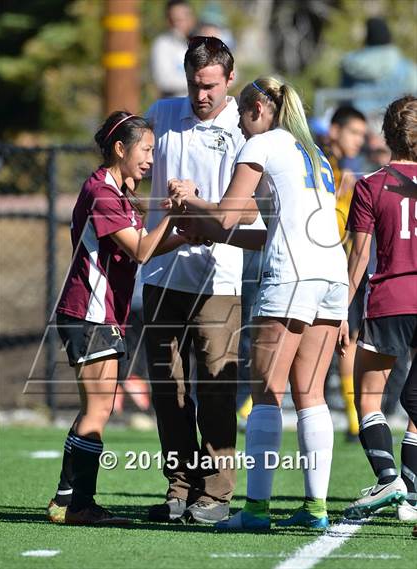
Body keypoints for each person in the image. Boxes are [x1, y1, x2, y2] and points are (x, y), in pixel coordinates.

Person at [172, 76, 349, 530]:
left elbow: (230, 211)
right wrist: (208, 230)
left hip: (289, 279)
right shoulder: (314, 154)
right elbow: (266, 231)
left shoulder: (263, 143)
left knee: (266, 393)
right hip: (331, 278)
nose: (240, 125)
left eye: (241, 116)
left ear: (257, 108)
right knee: (310, 395)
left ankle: (255, 511)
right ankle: (315, 509)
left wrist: (192, 201)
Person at [46, 112, 187, 525]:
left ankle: (66, 499)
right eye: (145, 149)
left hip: (98, 312)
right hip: (89, 313)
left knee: (96, 407)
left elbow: (139, 243)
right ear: (120, 149)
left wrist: (178, 234)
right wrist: (176, 217)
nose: (150, 159)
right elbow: (141, 250)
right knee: (98, 409)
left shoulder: (115, 190)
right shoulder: (103, 193)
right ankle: (79, 507)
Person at [142, 36, 248, 525]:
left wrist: (199, 202)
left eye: (208, 86)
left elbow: (244, 208)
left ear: (229, 79)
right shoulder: (162, 113)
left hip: (219, 274)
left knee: (217, 385)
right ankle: (178, 485)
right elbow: (130, 164)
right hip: (162, 269)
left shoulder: (244, 127)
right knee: (168, 386)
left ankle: (218, 492)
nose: (199, 95)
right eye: (193, 84)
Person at [343, 95, 417, 522]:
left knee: (369, 397)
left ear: (387, 135)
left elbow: (358, 261)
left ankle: (389, 478)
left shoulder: (371, 185)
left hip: (388, 300)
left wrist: (338, 311)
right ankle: (409, 490)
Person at [324, 106, 367, 440]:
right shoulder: (320, 162)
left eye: (362, 136)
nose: (358, 141)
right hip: (315, 262)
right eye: (354, 132)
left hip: (342, 264)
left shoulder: (353, 171)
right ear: (335, 130)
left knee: (347, 339)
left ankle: (355, 420)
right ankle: (250, 407)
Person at [340, 17, 417, 114]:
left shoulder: (351, 64)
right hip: (395, 121)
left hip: (358, 122)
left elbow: (342, 96)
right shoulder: (406, 67)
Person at [150, 0, 196, 98]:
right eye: (173, 20)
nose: (177, 24)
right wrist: (199, 79)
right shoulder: (162, 44)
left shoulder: (201, 42)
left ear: (191, 19)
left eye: (181, 19)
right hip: (175, 105)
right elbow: (163, 80)